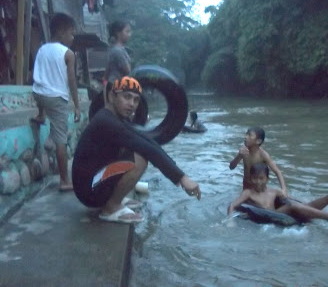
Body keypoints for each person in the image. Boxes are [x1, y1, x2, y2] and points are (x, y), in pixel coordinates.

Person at [72, 76, 201, 224]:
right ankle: (110, 208)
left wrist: (179, 174)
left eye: (135, 100)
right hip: (88, 191)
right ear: (112, 96)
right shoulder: (106, 121)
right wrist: (182, 179)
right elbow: (147, 149)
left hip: (93, 181)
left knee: (136, 150)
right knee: (139, 159)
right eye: (126, 97)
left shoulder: (115, 118)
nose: (132, 104)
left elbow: (148, 141)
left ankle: (115, 198)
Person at [30, 13, 80, 191]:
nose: (73, 38)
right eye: (71, 34)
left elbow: (42, 71)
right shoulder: (68, 54)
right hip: (56, 99)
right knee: (61, 141)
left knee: (42, 93)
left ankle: (40, 115)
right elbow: (72, 81)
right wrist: (76, 105)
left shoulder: (42, 49)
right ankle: (65, 181)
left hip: (38, 94)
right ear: (61, 32)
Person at [227, 163, 328, 226]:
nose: (258, 181)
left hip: (279, 214)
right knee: (292, 206)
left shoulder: (274, 191)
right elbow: (232, 205)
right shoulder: (248, 193)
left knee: (301, 206)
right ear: (250, 179)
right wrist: (230, 221)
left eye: (261, 178)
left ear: (267, 179)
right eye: (254, 179)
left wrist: (302, 201)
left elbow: (291, 199)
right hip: (269, 216)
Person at [229, 127, 288, 195]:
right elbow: (231, 167)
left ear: (258, 141)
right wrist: (239, 156)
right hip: (246, 189)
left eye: (249, 135)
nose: (246, 137)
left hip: (259, 191)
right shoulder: (243, 152)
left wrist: (284, 189)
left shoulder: (262, 155)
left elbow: (277, 172)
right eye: (246, 134)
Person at [103, 20, 132, 100]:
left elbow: (105, 75)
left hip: (114, 87)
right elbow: (129, 72)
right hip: (117, 88)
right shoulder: (118, 51)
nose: (129, 35)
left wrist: (105, 85)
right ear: (118, 33)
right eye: (127, 31)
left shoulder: (115, 49)